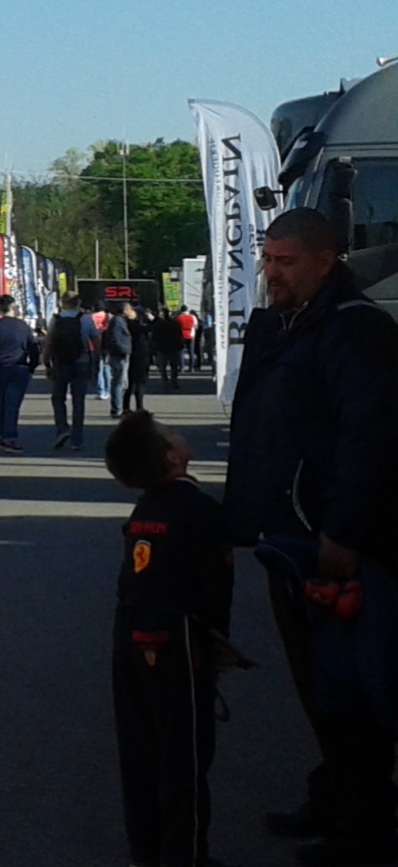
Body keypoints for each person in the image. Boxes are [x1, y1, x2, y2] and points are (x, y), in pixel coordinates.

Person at [224, 208, 398, 866]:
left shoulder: (357, 330)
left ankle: (364, 830)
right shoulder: (282, 326)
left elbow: (369, 437)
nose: (272, 273)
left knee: (349, 690)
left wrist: (344, 532)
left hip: (334, 543)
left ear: (326, 262)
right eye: (268, 260)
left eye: (286, 262)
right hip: (287, 538)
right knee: (317, 685)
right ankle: (335, 798)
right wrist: (238, 520)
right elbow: (256, 430)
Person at [106, 410, 235, 867]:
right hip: (178, 638)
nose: (179, 435)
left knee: (139, 749)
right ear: (172, 458)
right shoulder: (201, 510)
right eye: (171, 434)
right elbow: (217, 588)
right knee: (185, 756)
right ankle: (186, 855)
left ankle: (147, 851)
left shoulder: (145, 509)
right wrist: (216, 646)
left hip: (129, 629)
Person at [0, 293, 39, 454]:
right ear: (13, 308)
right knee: (12, 404)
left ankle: (1, 432)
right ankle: (9, 437)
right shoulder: (23, 326)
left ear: (0, 309)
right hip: (19, 368)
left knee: (1, 402)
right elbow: (33, 347)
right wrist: (32, 367)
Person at [45, 292, 100, 452]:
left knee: (58, 397)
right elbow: (96, 340)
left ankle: (62, 429)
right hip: (81, 360)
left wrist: (47, 363)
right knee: (78, 400)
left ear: (63, 302)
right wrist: (96, 361)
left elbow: (49, 342)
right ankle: (77, 439)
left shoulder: (56, 319)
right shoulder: (85, 319)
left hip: (61, 361)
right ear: (78, 303)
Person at [105, 303, 133, 418]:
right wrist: (123, 350)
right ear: (125, 310)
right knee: (119, 382)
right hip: (119, 356)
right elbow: (114, 338)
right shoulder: (117, 321)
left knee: (123, 383)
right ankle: (117, 409)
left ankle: (119, 407)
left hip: (122, 355)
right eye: (130, 309)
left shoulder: (120, 321)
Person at [125, 303, 152, 413]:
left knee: (129, 383)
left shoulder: (127, 324)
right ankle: (139, 406)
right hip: (141, 355)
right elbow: (153, 326)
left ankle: (125, 406)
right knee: (140, 382)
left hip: (130, 354)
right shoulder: (140, 327)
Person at [153, 308, 185, 391]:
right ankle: (174, 381)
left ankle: (165, 381)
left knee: (162, 366)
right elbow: (180, 334)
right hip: (173, 346)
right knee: (174, 366)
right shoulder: (175, 323)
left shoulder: (158, 324)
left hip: (162, 347)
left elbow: (154, 336)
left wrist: (153, 347)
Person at [94, 304, 114, 400]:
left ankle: (101, 391)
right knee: (107, 368)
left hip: (96, 345)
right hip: (107, 346)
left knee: (99, 369)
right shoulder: (109, 317)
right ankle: (108, 390)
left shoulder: (92, 317)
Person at [177, 306, 199, 372]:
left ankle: (182, 367)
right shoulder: (193, 317)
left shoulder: (179, 317)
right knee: (191, 352)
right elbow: (196, 326)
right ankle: (191, 368)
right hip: (191, 335)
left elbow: (177, 326)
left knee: (181, 352)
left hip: (181, 336)